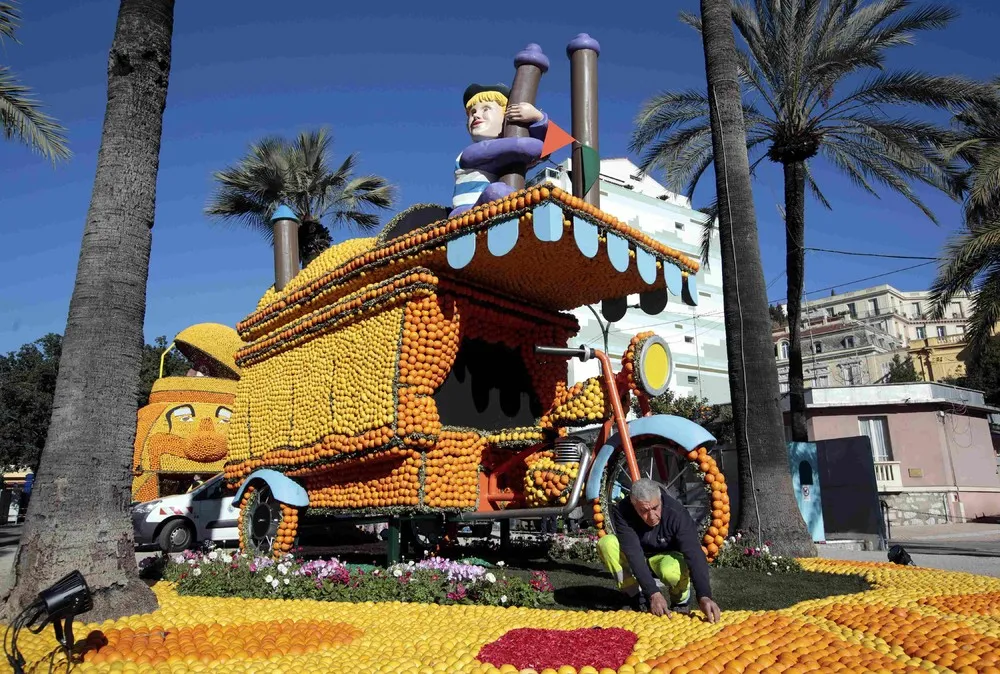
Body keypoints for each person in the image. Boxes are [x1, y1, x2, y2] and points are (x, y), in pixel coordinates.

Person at [597, 478, 722, 623]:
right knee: (606, 544)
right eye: (644, 511)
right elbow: (633, 551)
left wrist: (704, 596)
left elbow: (694, 553)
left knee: (671, 570)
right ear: (633, 505)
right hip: (640, 555)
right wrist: (652, 593)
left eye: (655, 508)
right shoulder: (622, 510)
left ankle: (680, 600)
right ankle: (634, 596)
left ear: (660, 499)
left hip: (666, 556)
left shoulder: (676, 513)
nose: (652, 516)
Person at [451, 83, 548, 217]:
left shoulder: (505, 155)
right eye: (473, 112)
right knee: (497, 192)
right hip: (464, 214)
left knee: (500, 193)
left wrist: (538, 117)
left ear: (506, 119)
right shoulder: (471, 153)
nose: (476, 116)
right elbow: (531, 148)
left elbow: (544, 151)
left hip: (492, 208)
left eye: (486, 109)